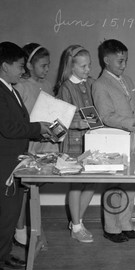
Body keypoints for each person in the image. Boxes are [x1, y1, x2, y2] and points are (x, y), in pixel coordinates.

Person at [0, 41, 50, 270]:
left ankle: (3, 254)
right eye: (20, 66)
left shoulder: (8, 88)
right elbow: (10, 128)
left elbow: (19, 123)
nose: (23, 71)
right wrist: (38, 127)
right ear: (5, 65)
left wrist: (40, 131)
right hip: (4, 166)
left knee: (9, 215)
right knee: (6, 216)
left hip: (14, 162)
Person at [92, 39, 135, 243]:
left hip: (133, 138)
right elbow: (105, 116)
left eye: (125, 60)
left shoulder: (127, 80)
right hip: (114, 142)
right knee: (114, 185)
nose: (124, 65)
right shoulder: (100, 84)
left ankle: (126, 224)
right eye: (119, 61)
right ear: (106, 60)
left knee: (130, 183)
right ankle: (111, 227)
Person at [13, 43, 58, 247]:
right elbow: (18, 120)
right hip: (28, 143)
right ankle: (19, 227)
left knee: (35, 188)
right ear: (29, 65)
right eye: (43, 65)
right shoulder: (20, 86)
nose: (47, 70)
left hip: (45, 144)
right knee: (24, 188)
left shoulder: (47, 85)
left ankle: (34, 228)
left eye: (48, 65)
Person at [55, 44, 95, 243]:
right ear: (71, 67)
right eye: (83, 67)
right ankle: (77, 227)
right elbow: (62, 121)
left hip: (90, 141)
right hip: (72, 143)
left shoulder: (89, 84)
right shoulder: (65, 87)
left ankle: (77, 221)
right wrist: (81, 122)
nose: (88, 70)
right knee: (76, 184)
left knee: (93, 182)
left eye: (89, 65)